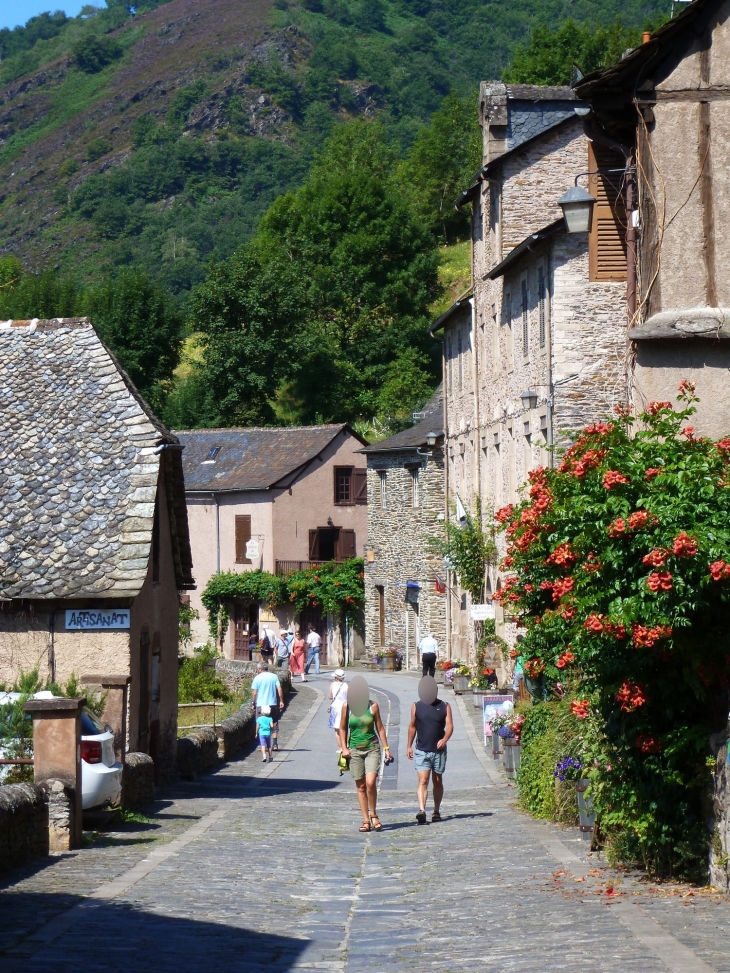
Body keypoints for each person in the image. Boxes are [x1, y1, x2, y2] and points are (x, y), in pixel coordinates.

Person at [338, 675, 391, 832]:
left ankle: (374, 814)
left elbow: (380, 728)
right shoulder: (346, 707)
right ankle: (365, 820)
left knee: (370, 782)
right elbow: (342, 728)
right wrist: (344, 748)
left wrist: (386, 748)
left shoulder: (373, 706)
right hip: (354, 750)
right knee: (360, 786)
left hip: (372, 747)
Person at [407, 675, 453, 824]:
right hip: (422, 750)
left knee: (437, 780)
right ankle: (422, 810)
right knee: (423, 780)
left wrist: (444, 739)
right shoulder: (416, 706)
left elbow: (450, 726)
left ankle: (436, 810)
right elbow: (412, 726)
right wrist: (409, 745)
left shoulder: (445, 706)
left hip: (438, 750)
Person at [251, 662, 285, 751]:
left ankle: (264, 745)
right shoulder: (274, 676)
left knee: (261, 723)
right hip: (272, 703)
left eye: (257, 669)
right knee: (274, 722)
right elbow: (280, 689)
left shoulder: (257, 678)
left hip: (261, 704)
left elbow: (254, 693)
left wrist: (253, 703)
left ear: (260, 669)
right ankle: (274, 744)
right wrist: (281, 701)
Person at [328, 669, 348, 749]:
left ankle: (340, 748)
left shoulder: (332, 685)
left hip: (335, 707)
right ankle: (345, 746)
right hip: (344, 707)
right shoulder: (346, 685)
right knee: (344, 727)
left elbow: (330, 697)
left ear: (335, 677)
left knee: (337, 729)